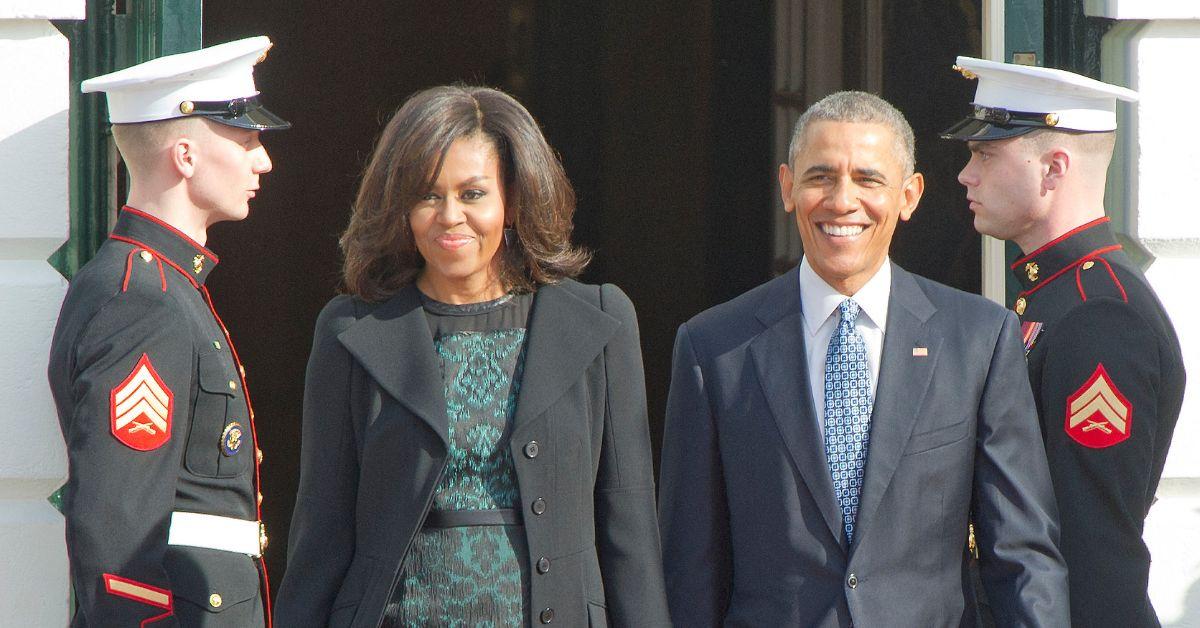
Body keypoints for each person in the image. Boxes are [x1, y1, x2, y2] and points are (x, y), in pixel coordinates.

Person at [658, 90, 1069, 627]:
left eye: (868, 180)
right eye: (820, 177)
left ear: (908, 195)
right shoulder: (714, 348)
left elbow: (1021, 554)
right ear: (787, 187)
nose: (842, 201)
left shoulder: (978, 340)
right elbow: (690, 568)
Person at [274, 85, 670, 628]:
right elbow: (322, 528)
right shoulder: (352, 330)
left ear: (514, 198)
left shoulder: (598, 322)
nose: (449, 217)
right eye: (428, 195)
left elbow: (629, 529)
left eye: (472, 194)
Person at [47, 37, 289, 626]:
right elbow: (117, 530)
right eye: (249, 140)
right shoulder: (143, 300)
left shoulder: (163, 287)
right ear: (185, 155)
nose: (264, 161)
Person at [942, 57, 1186, 627]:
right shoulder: (1052, 295)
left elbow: (1094, 547)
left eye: (985, 155)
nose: (966, 175)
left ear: (1053, 169)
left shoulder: (1100, 315)